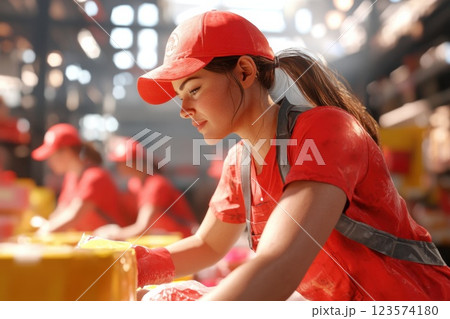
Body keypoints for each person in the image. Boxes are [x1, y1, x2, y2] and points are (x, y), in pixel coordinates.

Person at [132, 10, 450, 300]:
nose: (184, 110)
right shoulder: (240, 163)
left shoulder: (327, 130)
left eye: (194, 89)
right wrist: (131, 264)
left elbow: (278, 265)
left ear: (244, 72)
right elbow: (209, 244)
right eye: (179, 96)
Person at [94, 137, 198, 240]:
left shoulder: (156, 184)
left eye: (122, 162)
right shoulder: (134, 184)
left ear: (136, 163)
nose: (118, 167)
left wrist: (111, 235)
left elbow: (142, 228)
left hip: (184, 239)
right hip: (164, 239)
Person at [32, 123, 129, 233]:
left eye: (51, 156)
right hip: (89, 245)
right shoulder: (71, 177)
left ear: (66, 152)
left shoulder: (95, 177)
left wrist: (42, 233)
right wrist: (46, 226)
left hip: (111, 245)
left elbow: (73, 216)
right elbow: (61, 212)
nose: (49, 163)